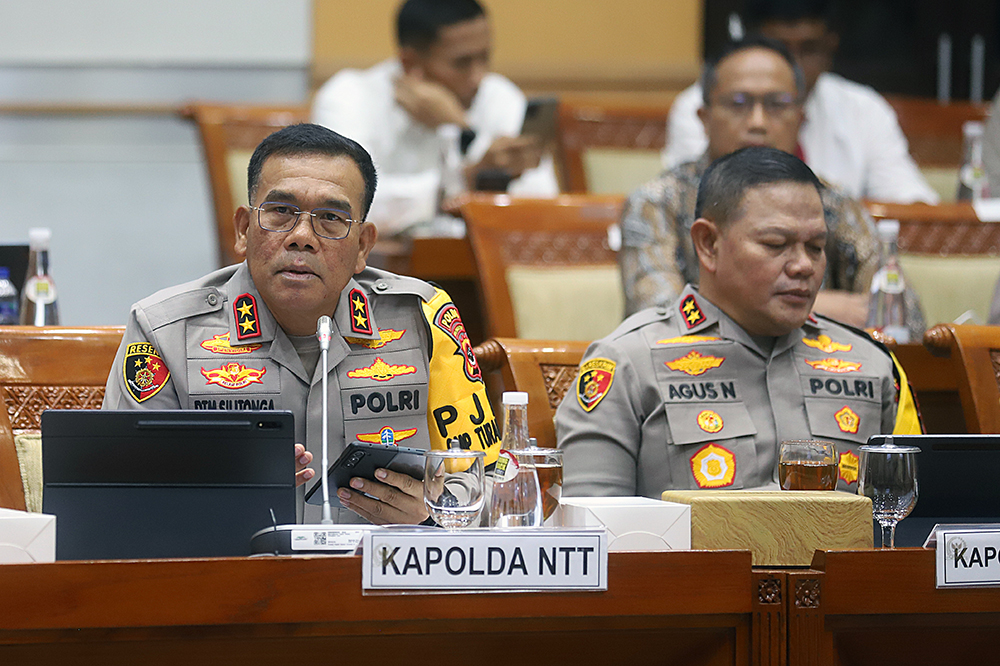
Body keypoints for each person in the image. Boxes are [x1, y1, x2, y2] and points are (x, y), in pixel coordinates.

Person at [103, 123, 498, 525]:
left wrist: (436, 513)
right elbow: (114, 497)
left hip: (380, 577)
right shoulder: (165, 332)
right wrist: (214, 492)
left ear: (363, 246)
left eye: (330, 218)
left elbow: (496, 485)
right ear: (243, 230)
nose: (302, 237)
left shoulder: (422, 317)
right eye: (281, 213)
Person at [556, 146, 921, 498]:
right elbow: (591, 535)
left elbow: (910, 527)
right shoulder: (629, 364)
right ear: (708, 244)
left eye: (816, 247)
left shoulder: (873, 367)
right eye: (776, 243)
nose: (804, 266)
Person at [620, 36, 925, 338]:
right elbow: (658, 318)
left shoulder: (832, 202)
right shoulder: (658, 203)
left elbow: (902, 317)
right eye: (738, 104)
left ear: (801, 118)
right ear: (704, 118)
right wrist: (812, 307)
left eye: (777, 104)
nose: (758, 122)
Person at [312, 0, 559, 235]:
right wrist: (464, 181)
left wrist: (461, 126)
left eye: (485, 57)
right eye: (462, 62)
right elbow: (346, 205)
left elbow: (541, 198)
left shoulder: (498, 95)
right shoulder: (350, 97)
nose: (478, 76)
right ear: (409, 62)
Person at [663, 0, 938, 205]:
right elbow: (702, 198)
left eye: (808, 49)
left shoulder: (865, 110)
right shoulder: (706, 104)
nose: (792, 64)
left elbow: (912, 207)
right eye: (778, 47)